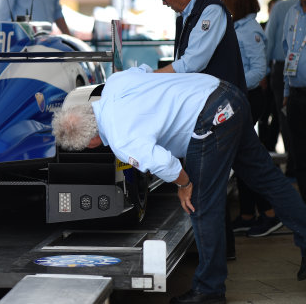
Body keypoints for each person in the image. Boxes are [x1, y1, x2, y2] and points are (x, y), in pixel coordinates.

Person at [52, 65, 306, 304]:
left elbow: (165, 163)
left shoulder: (121, 140)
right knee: (270, 180)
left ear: (90, 142)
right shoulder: (115, 83)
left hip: (209, 119)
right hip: (226, 94)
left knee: (200, 204)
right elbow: (144, 70)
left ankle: (210, 290)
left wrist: (184, 184)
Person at [155, 0, 246, 261]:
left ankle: (215, 261)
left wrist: (152, 78)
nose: (164, 2)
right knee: (223, 182)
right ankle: (218, 253)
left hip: (222, 113)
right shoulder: (186, 15)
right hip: (210, 111)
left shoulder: (210, 12)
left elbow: (192, 63)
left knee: (212, 185)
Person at [219, 0, 282, 237]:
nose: (221, 2)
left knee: (247, 158)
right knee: (242, 157)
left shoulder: (250, 31)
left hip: (248, 98)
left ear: (236, 0)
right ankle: (248, 214)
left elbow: (259, 70)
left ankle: (269, 212)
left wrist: (234, 83)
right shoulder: (237, 26)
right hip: (240, 96)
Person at [282, 0, 306, 202]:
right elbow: (289, 52)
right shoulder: (292, 14)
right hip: (297, 96)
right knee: (299, 158)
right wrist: (287, 94)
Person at [258, 0, 282, 152]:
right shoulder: (260, 28)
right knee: (263, 114)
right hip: (267, 75)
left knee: (278, 114)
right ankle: (263, 146)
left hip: (278, 75)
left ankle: (271, 146)